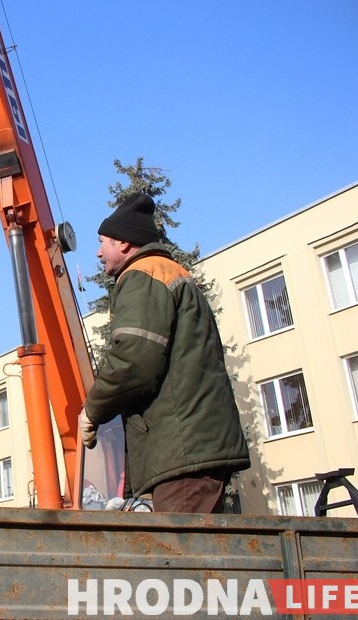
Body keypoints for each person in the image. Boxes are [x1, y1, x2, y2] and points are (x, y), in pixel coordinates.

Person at [80, 192, 250, 513]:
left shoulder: (142, 275)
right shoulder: (166, 272)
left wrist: (93, 410)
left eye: (104, 242)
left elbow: (133, 359)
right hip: (192, 447)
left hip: (184, 452)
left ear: (125, 244)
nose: (99, 252)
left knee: (181, 556)